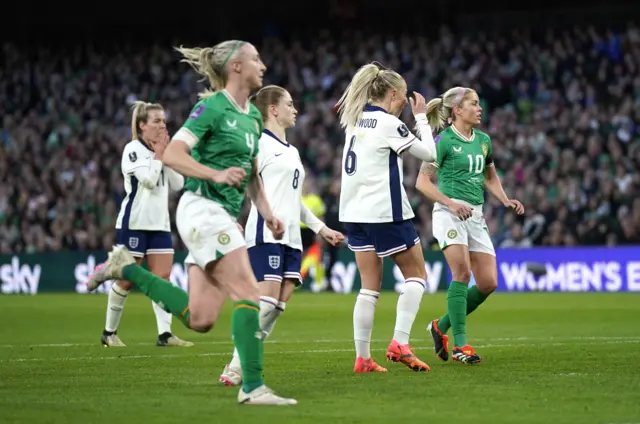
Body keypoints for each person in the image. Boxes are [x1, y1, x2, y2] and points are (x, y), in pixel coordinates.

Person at [87, 40, 297, 406]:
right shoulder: (212, 107)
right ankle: (252, 387)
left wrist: (267, 213)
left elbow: (252, 174)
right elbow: (172, 153)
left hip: (220, 215)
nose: (263, 65)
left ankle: (127, 269)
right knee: (250, 293)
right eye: (256, 59)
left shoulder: (250, 117)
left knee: (200, 318)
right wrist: (214, 175)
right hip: (201, 209)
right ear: (235, 66)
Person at [219, 85, 344, 386]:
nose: (295, 109)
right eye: (289, 104)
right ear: (273, 110)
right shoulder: (258, 144)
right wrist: (226, 218)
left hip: (291, 238)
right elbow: (239, 182)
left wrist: (321, 228)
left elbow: (293, 201)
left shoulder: (292, 151)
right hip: (265, 231)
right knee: (267, 300)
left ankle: (245, 361)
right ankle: (238, 366)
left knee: (278, 305)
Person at [336, 62, 440, 373]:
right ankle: (400, 342)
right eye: (405, 96)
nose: (406, 101)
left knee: (369, 286)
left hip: (353, 213)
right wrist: (420, 117)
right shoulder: (386, 123)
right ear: (393, 93)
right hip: (384, 211)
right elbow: (430, 154)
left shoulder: (354, 120)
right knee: (417, 275)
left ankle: (363, 358)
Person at [415, 86, 525, 364]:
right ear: (457, 110)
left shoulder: (484, 140)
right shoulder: (442, 141)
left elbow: (490, 177)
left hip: (475, 216)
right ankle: (461, 346)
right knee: (462, 273)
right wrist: (451, 203)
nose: (480, 109)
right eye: (474, 104)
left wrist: (504, 199)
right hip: (449, 213)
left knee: (488, 282)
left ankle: (440, 326)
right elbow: (422, 182)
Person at [98, 101, 193, 348]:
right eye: (156, 121)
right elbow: (149, 180)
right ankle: (109, 333)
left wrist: (168, 155)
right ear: (142, 126)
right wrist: (160, 154)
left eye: (163, 120)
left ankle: (165, 335)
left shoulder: (160, 151)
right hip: (135, 223)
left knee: (161, 280)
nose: (163, 125)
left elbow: (178, 183)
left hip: (160, 225)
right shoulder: (133, 149)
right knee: (128, 279)